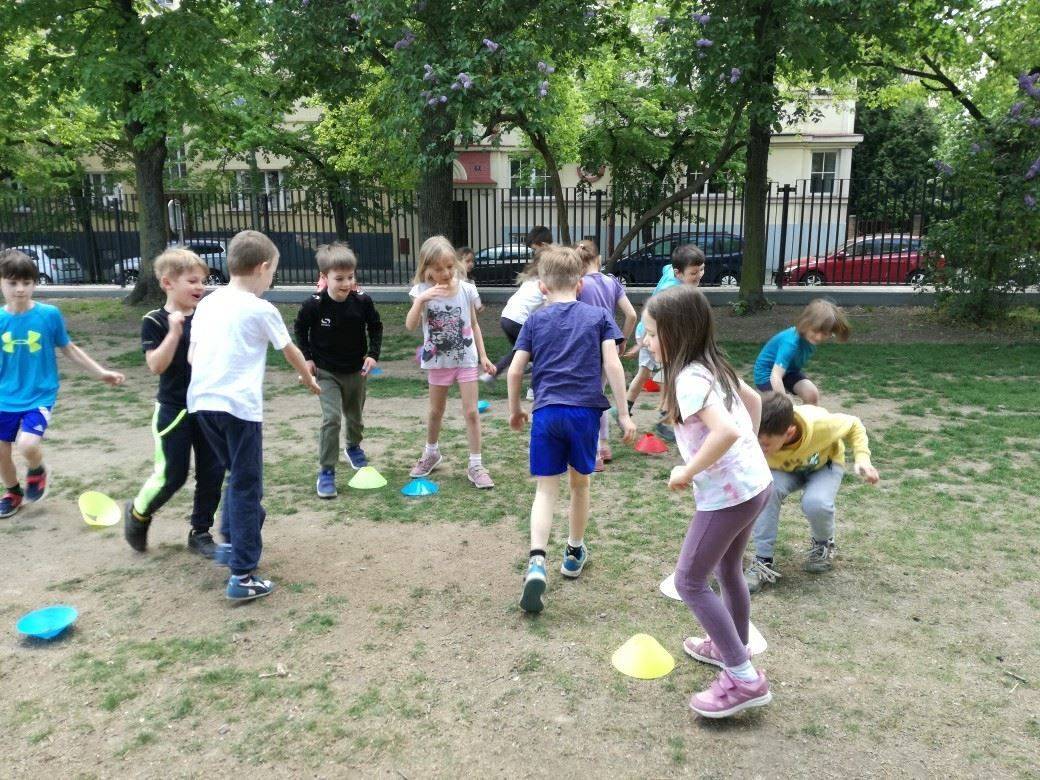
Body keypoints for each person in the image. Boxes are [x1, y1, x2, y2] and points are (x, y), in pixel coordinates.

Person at [644, 285, 774, 718]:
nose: (645, 341)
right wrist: (748, 455)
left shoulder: (688, 379)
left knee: (689, 581)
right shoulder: (710, 362)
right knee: (727, 568)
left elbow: (726, 431)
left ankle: (743, 678)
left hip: (730, 497)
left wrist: (688, 470)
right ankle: (730, 647)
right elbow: (753, 401)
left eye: (651, 333)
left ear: (675, 333)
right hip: (755, 484)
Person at [188, 230, 321, 602]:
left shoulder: (208, 304)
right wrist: (308, 377)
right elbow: (290, 349)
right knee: (247, 485)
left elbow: (192, 356)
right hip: (239, 409)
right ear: (262, 268)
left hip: (202, 404)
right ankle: (243, 574)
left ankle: (232, 543)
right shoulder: (261, 308)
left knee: (236, 476)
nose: (271, 280)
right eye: (272, 273)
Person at [508, 245, 636, 613]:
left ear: (542, 287)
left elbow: (515, 370)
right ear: (580, 284)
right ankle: (573, 552)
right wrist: (624, 414)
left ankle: (536, 561)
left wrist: (516, 409)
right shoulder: (599, 317)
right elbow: (613, 365)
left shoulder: (535, 320)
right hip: (584, 414)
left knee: (546, 489)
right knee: (580, 485)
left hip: (547, 412)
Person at [0, 250, 125, 519]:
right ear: (1, 283)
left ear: (34, 284)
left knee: (27, 445)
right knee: (1, 451)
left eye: (26, 283)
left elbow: (68, 348)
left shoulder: (49, 315)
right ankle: (12, 493)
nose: (20, 289)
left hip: (39, 395)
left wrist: (101, 372)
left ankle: (37, 468)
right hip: (4, 396)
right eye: (12, 283)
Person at [123, 248, 224, 556]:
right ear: (167, 283)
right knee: (172, 475)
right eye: (192, 281)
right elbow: (156, 365)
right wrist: (174, 331)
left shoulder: (208, 316)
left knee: (213, 471)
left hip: (207, 408)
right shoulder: (154, 320)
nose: (200, 287)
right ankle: (138, 513)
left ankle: (200, 532)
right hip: (173, 410)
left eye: (203, 281)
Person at [744, 391, 879, 593]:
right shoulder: (755, 425)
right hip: (784, 469)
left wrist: (862, 459)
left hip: (823, 465)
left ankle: (823, 545)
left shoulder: (821, 424)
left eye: (765, 444)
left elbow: (854, 424)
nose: (759, 447)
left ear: (789, 433)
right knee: (765, 493)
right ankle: (763, 561)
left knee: (816, 503)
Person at [293, 242, 382, 499]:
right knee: (331, 419)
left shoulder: (362, 301)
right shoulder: (314, 305)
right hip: (326, 372)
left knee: (355, 417)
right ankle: (327, 471)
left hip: (356, 371)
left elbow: (375, 327)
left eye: (350, 277)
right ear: (324, 277)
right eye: (339, 278)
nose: (346, 283)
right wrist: (307, 359)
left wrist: (373, 355)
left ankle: (353, 446)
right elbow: (300, 329)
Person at [406, 235, 496, 489]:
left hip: (466, 360)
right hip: (438, 362)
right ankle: (431, 453)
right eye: (438, 269)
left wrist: (484, 356)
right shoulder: (420, 292)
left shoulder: (466, 290)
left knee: (471, 412)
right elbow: (411, 325)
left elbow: (474, 325)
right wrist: (421, 300)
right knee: (436, 411)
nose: (445, 273)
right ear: (426, 269)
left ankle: (476, 465)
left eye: (449, 266)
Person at [622, 244, 706, 440]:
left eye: (701, 269)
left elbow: (666, 267)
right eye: (693, 273)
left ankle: (624, 410)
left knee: (647, 374)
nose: (699, 276)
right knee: (669, 374)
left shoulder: (672, 272)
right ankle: (663, 418)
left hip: (656, 334)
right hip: (652, 335)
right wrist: (641, 344)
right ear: (678, 273)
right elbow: (651, 316)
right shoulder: (671, 292)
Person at [575, 239, 637, 470]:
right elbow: (631, 315)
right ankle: (603, 446)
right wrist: (623, 339)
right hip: (607, 344)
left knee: (587, 399)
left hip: (585, 347)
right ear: (599, 259)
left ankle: (594, 454)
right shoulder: (612, 282)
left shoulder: (579, 284)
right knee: (599, 395)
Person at [482, 226, 552, 383]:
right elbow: (548, 304)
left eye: (534, 249)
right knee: (536, 351)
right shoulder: (544, 280)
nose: (534, 252)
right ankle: (535, 383)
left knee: (521, 350)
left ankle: (494, 373)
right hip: (517, 320)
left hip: (506, 317)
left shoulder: (533, 276)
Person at [753, 299, 850, 404]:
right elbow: (775, 375)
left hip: (789, 372)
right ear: (805, 324)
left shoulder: (809, 338)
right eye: (815, 331)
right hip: (767, 374)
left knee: (811, 394)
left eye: (825, 334)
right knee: (786, 405)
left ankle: (809, 415)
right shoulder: (790, 343)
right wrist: (784, 401)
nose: (819, 337)